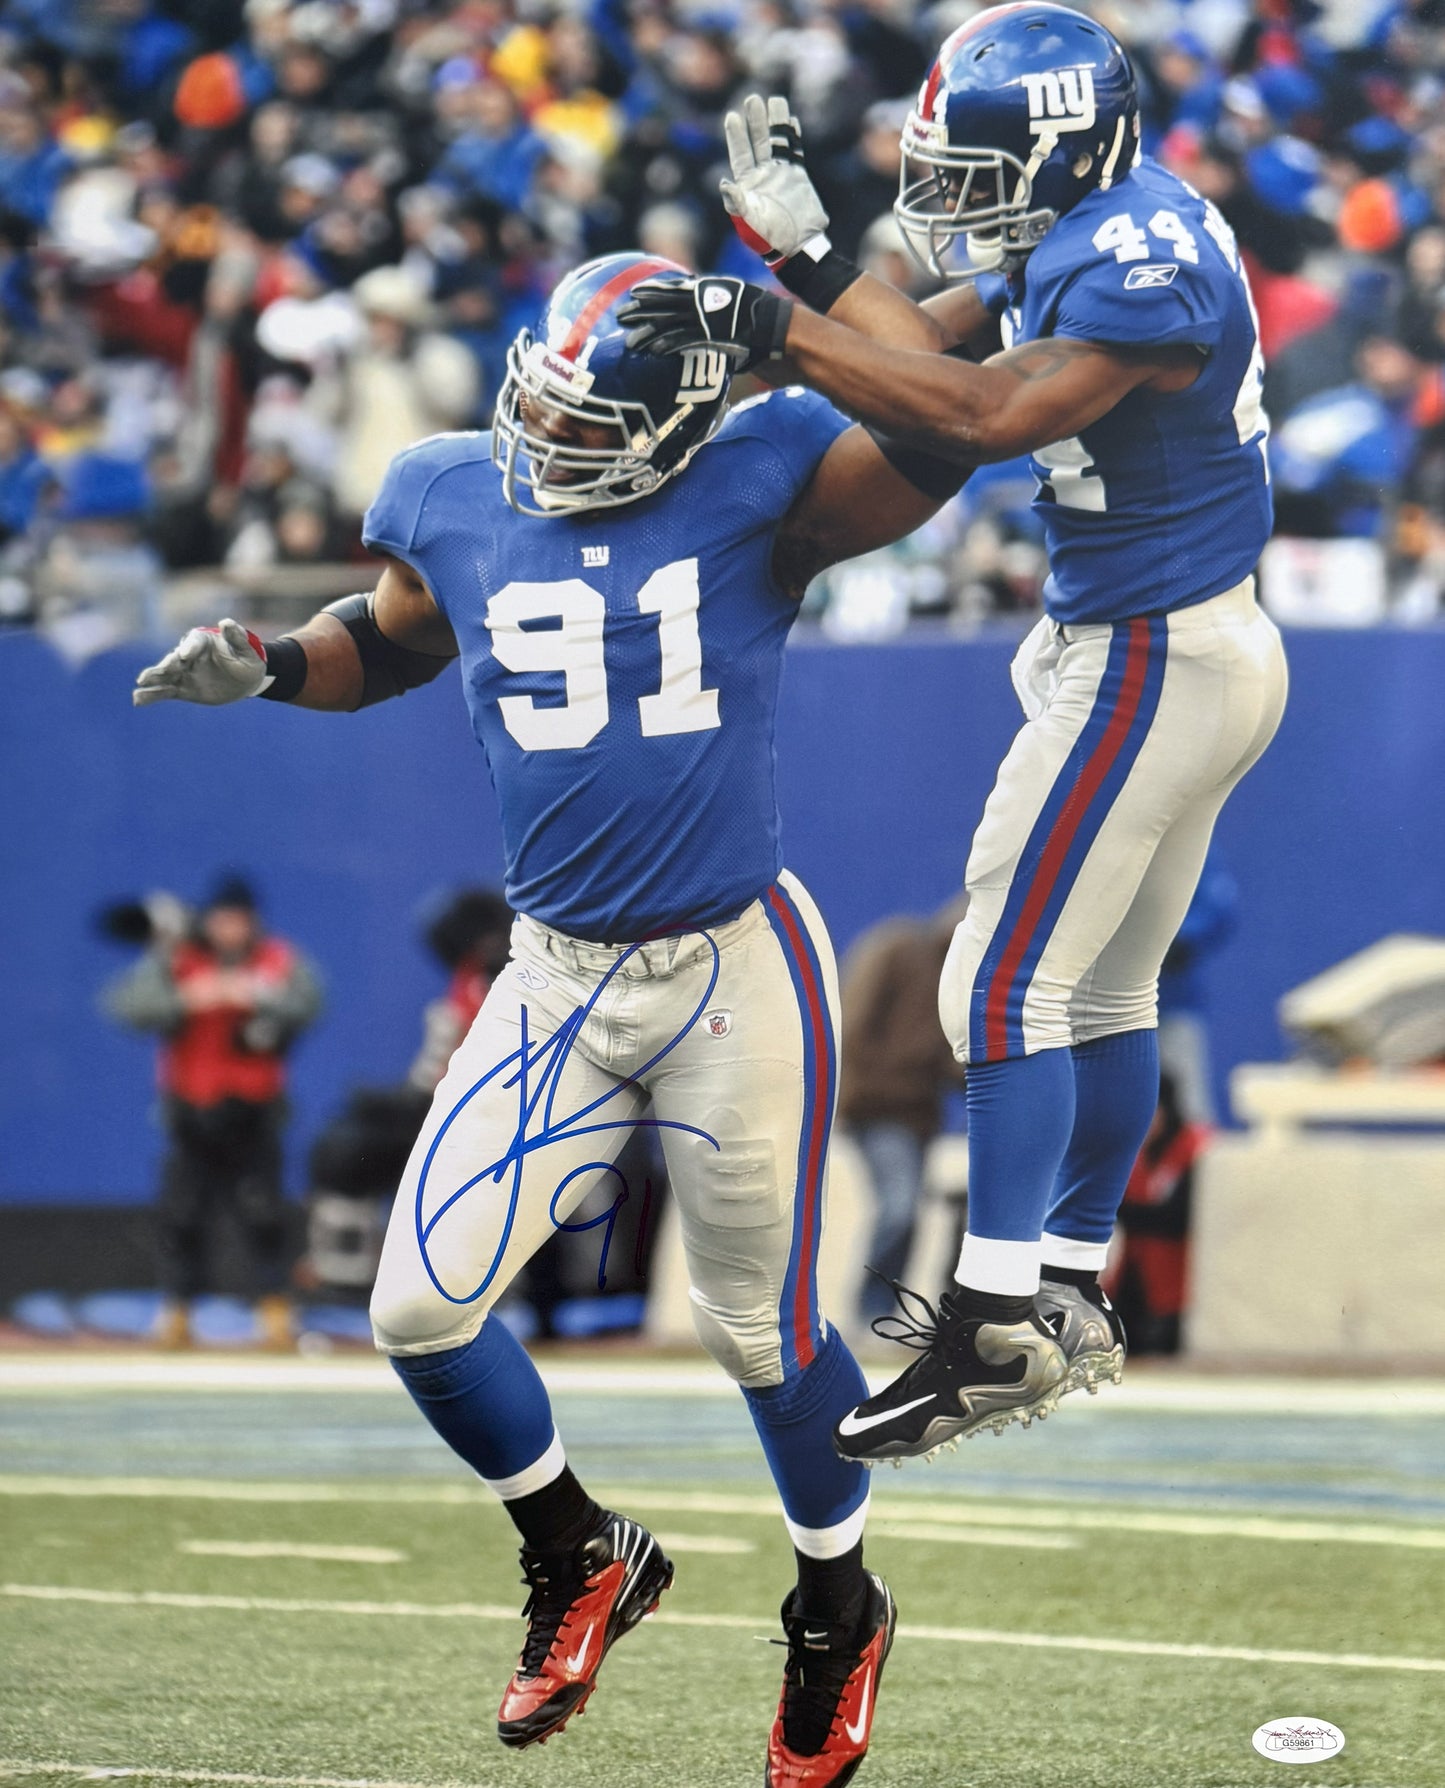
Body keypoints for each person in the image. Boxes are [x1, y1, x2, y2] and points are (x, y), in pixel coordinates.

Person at [131, 250, 966, 1788]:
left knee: (757, 1331)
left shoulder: (763, 468)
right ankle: (583, 1553)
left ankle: (837, 1607)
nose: (551, 440)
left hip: (731, 962)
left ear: (677, 422)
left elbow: (938, 422)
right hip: (557, 972)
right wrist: (266, 669)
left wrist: (868, 288)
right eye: (544, 403)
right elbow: (386, 641)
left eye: (594, 424)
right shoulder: (453, 487)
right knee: (414, 1312)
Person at [620, 4, 1289, 1465]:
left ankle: (990, 1330)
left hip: (1150, 652)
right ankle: (1064, 1288)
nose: (953, 197)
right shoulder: (1098, 222)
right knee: (1099, 993)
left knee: (992, 990)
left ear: (1069, 147)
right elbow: (914, 355)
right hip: (1174, 639)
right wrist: (800, 274)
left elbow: (977, 420)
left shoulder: (1138, 262)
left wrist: (781, 328)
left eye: (980, 168)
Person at [103, 874, 323, 1349]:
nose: (229, 929)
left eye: (238, 919)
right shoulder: (179, 961)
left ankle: (276, 1313)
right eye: (221, 919)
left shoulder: (278, 960)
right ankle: (177, 1313)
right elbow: (127, 1005)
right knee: (181, 1214)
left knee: (264, 1213)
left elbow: (310, 1002)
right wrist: (187, 996)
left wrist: (255, 994)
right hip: (190, 1113)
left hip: (254, 1111)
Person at [835, 900, 963, 1326]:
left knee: (908, 1216)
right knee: (900, 1208)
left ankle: (883, 1316)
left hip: (916, 1119)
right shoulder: (897, 949)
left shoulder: (959, 983)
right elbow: (852, 1022)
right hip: (877, 1108)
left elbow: (950, 1062)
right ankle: (869, 1313)